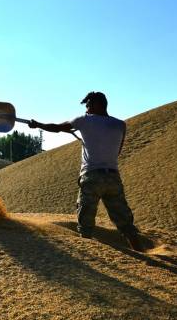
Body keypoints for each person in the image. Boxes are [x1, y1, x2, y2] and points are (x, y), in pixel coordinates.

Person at [26, 91, 145, 251]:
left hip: (91, 177)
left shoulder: (84, 121)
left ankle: (90, 256)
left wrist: (37, 125)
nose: (86, 109)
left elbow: (57, 128)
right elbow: (117, 151)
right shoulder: (120, 125)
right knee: (124, 221)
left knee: (85, 223)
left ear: (97, 104)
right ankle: (141, 252)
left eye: (88, 105)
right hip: (113, 177)